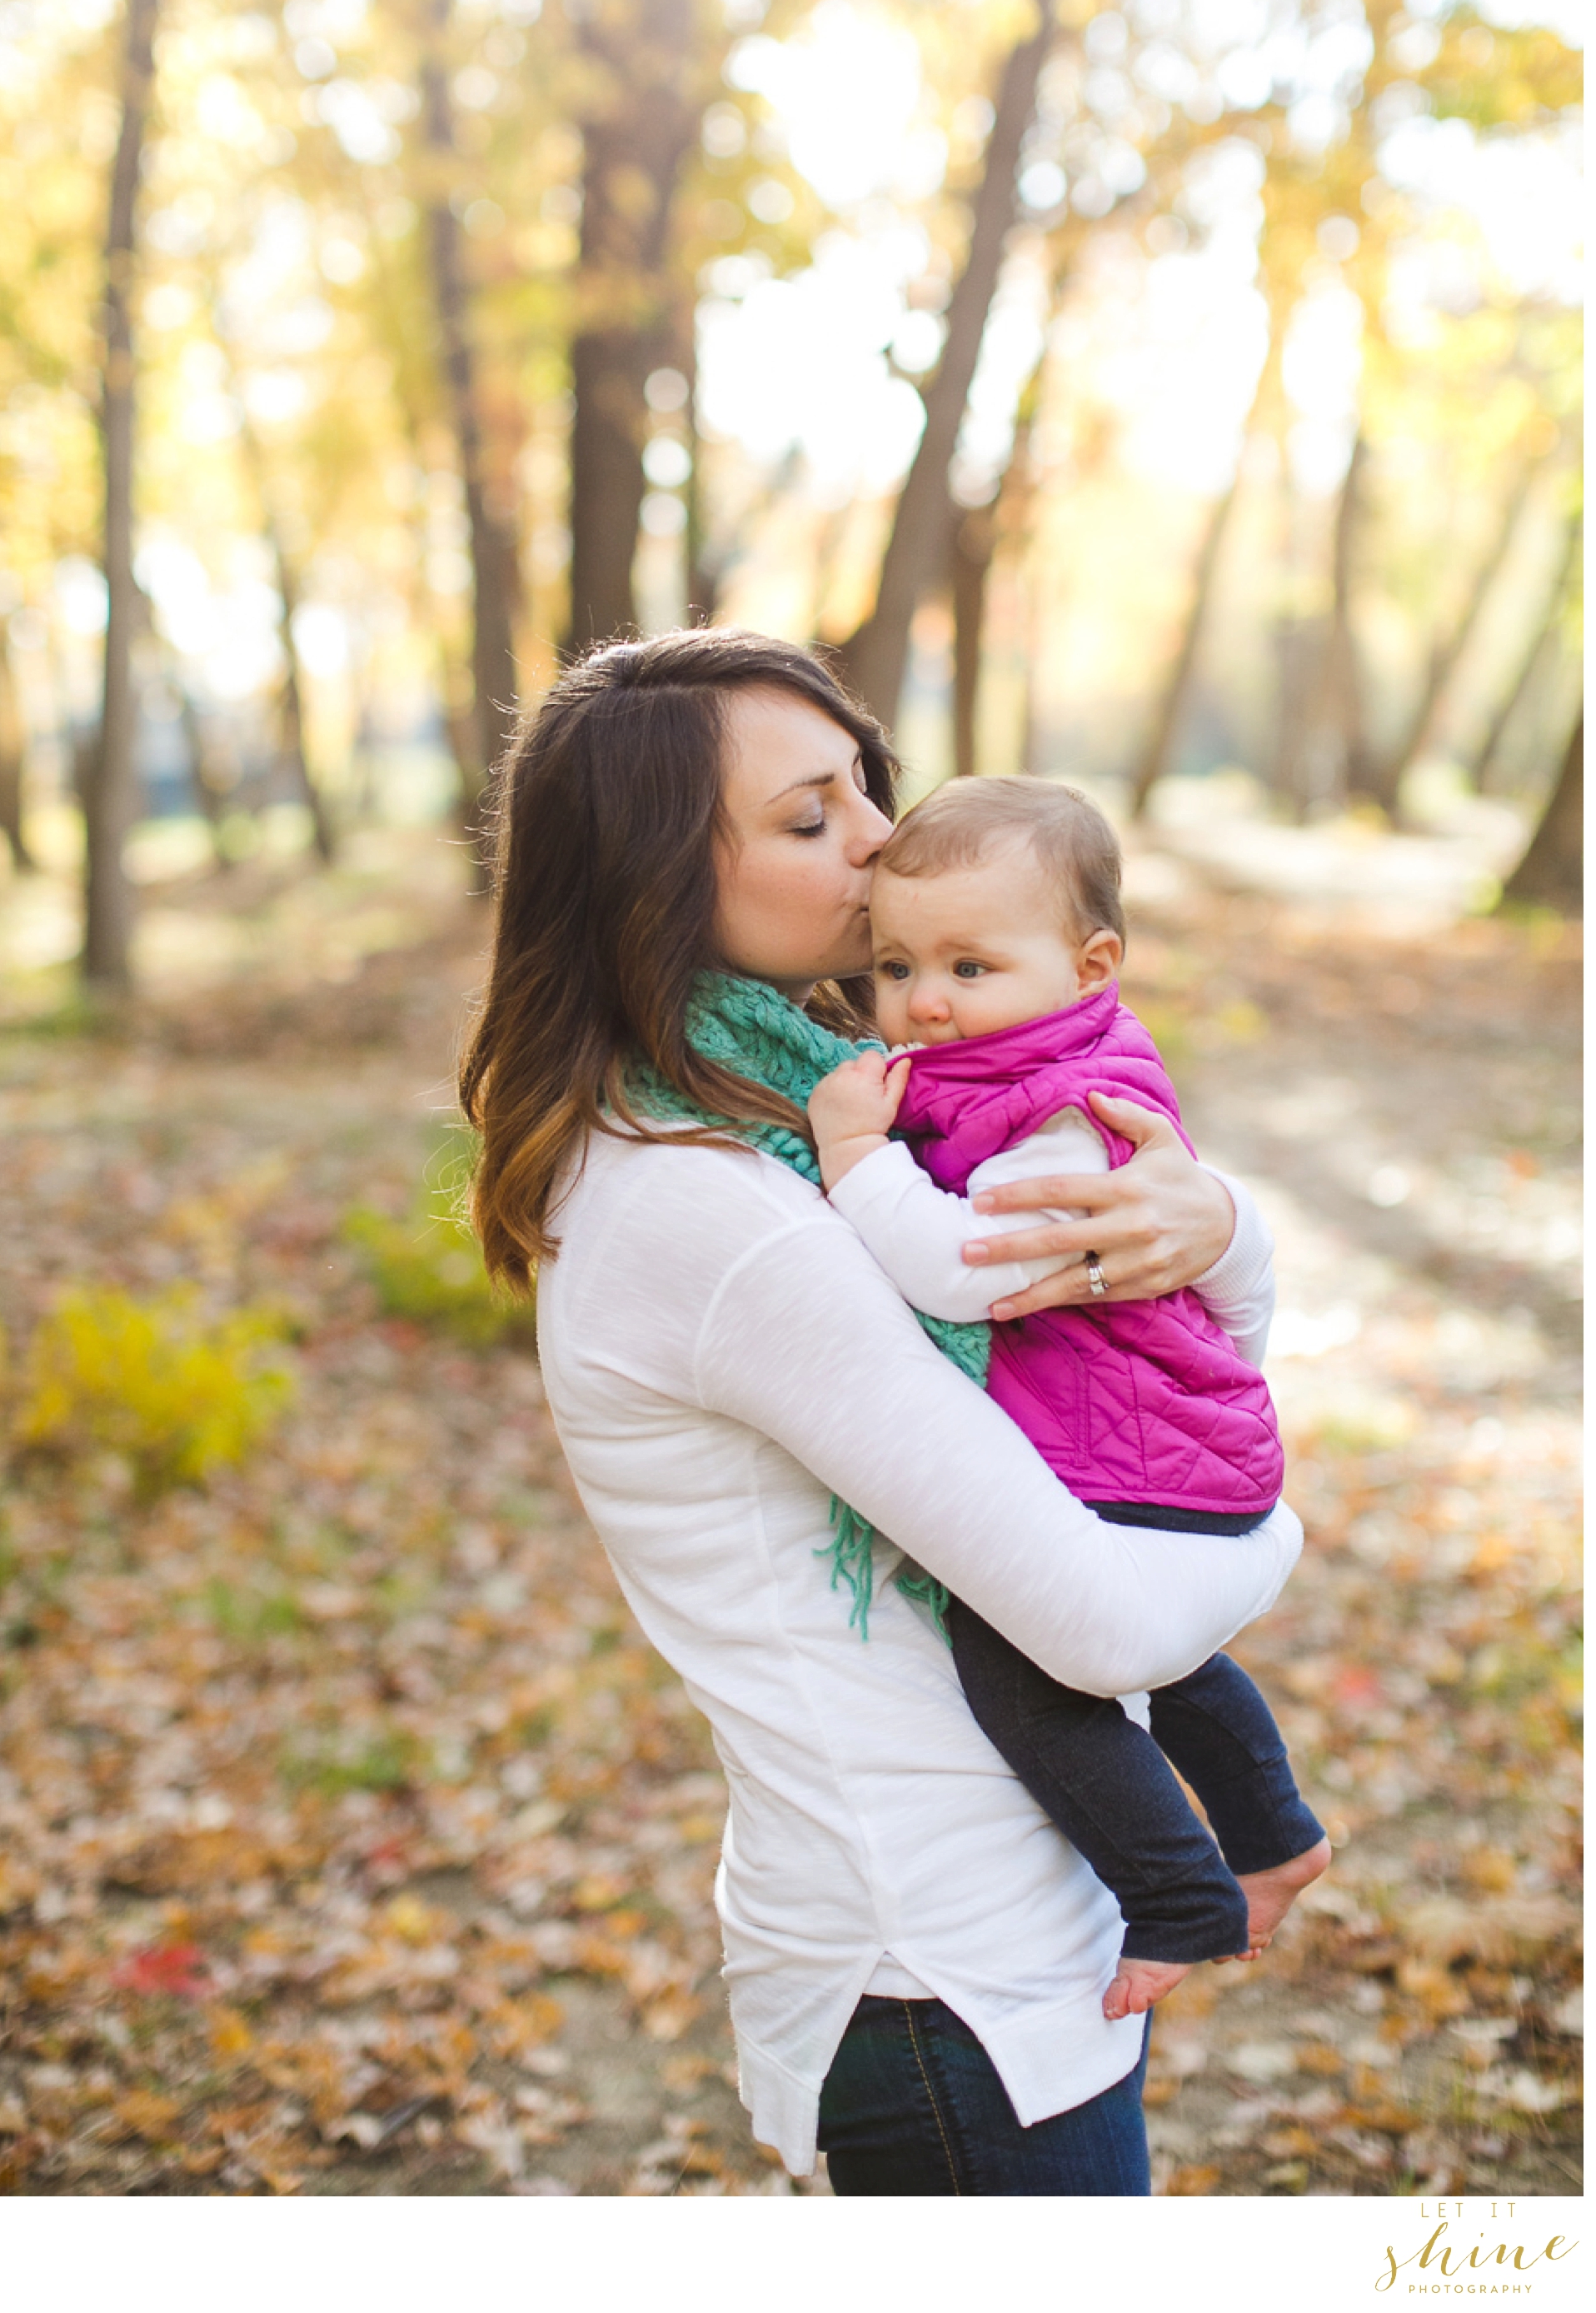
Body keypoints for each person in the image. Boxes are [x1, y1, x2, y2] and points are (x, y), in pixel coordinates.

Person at [459, 629, 1304, 2196]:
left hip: (993, 1924)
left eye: (863, 787)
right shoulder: (725, 1209)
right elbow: (1109, 1627)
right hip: (941, 1965)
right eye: (805, 818)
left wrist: (1221, 1224)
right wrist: (1279, 1531)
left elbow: (1148, 1313)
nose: (875, 842)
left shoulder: (820, 1111)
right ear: (656, 882)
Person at [805, 774, 1329, 2024]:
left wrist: (853, 1162)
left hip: (1142, 1446)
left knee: (1028, 1668)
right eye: (895, 963)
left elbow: (961, 1270)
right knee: (1171, 1654)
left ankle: (1176, 1894)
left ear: (1092, 964)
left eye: (971, 964)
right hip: (1152, 1440)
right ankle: (1276, 1833)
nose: (923, 998)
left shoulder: (1067, 1111)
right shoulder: (993, 1065)